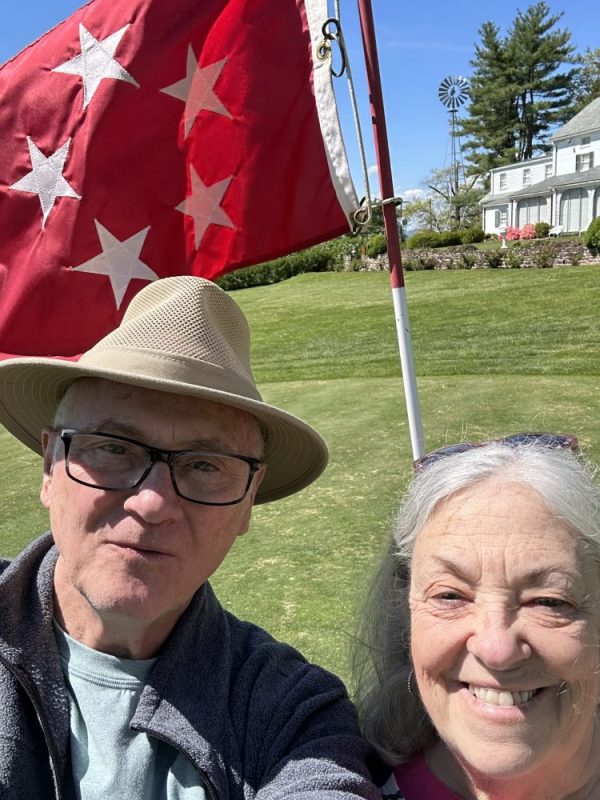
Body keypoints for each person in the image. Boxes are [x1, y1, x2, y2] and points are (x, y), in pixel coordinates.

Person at [0, 276, 378, 799]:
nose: (152, 503)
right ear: (50, 465)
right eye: (113, 448)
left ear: (248, 498)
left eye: (204, 464)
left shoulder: (294, 713)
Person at [353, 434, 600, 800]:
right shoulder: (353, 785)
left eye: (548, 601)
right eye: (450, 596)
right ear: (404, 613)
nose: (496, 649)